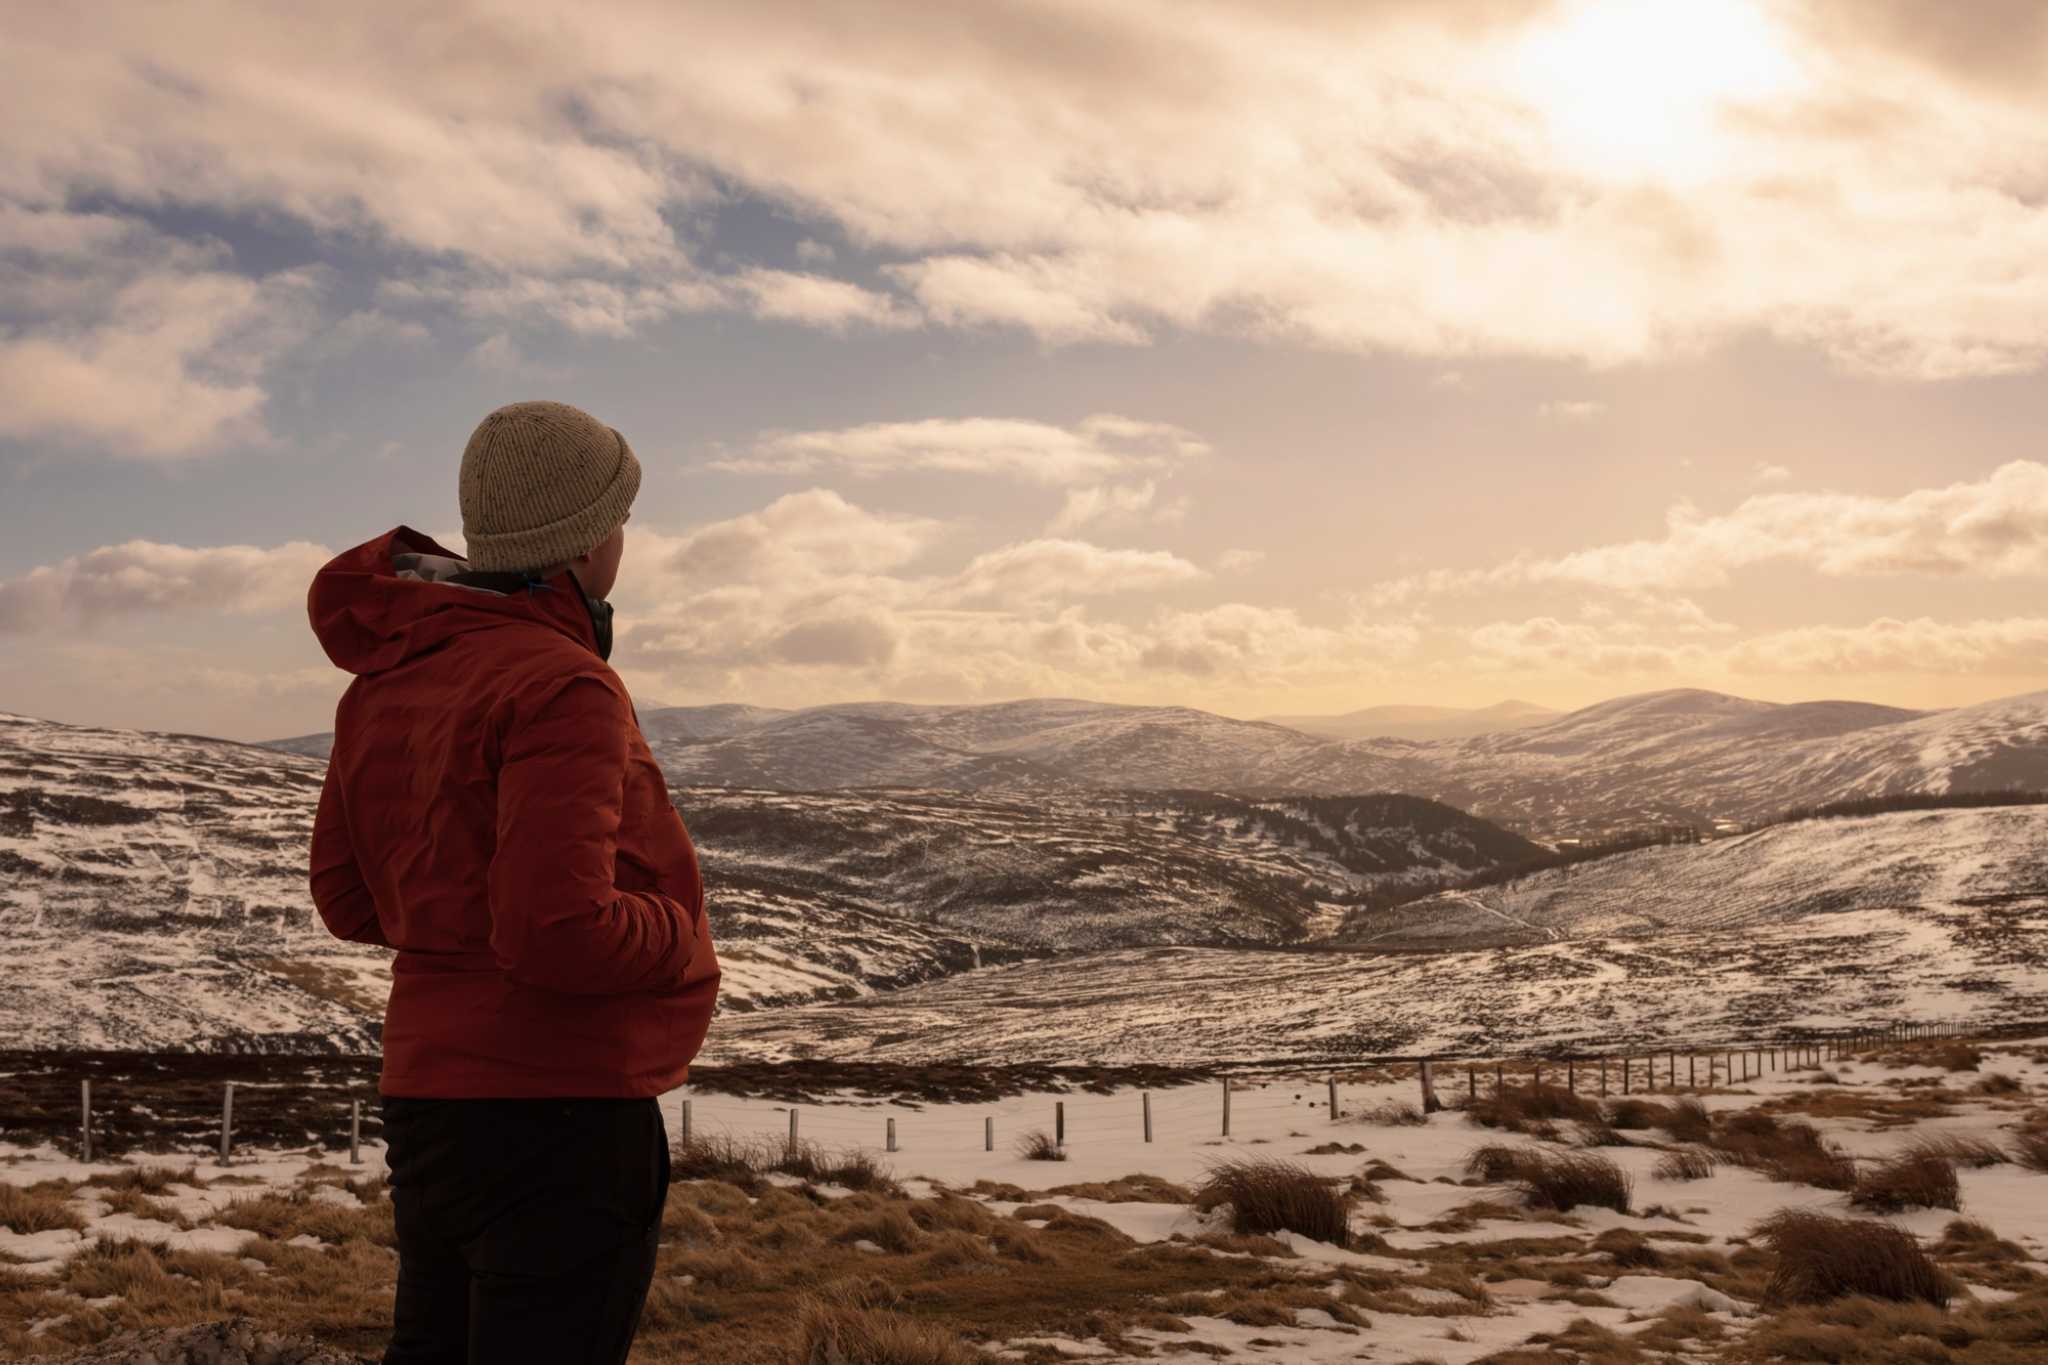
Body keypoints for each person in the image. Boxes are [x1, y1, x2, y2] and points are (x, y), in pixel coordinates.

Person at [305, 400, 719, 1365]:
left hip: (429, 1103)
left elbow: (347, 896)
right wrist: (678, 931)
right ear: (585, 540)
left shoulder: (391, 673)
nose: (624, 540)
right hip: (564, 1109)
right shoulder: (563, 684)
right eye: (620, 517)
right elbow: (554, 929)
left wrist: (461, 925)